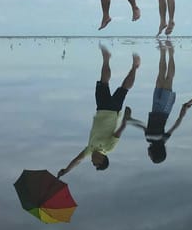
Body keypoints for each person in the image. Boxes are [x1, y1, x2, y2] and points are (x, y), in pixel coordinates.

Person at [57, 45, 140, 176]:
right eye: (95, 163)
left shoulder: (89, 149)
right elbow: (118, 133)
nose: (92, 162)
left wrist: (66, 170)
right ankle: (135, 67)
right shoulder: (108, 148)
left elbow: (78, 160)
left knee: (104, 82)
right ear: (102, 160)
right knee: (124, 88)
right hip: (113, 111)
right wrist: (125, 120)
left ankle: (106, 58)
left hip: (101, 108)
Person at [125, 41, 186, 163]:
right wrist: (182, 114)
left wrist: (130, 120)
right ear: (156, 153)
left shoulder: (148, 138)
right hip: (164, 109)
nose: (148, 155)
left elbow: (143, 126)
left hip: (154, 108)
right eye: (151, 156)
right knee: (168, 79)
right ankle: (171, 53)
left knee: (160, 77)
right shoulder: (162, 139)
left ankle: (163, 53)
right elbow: (175, 126)